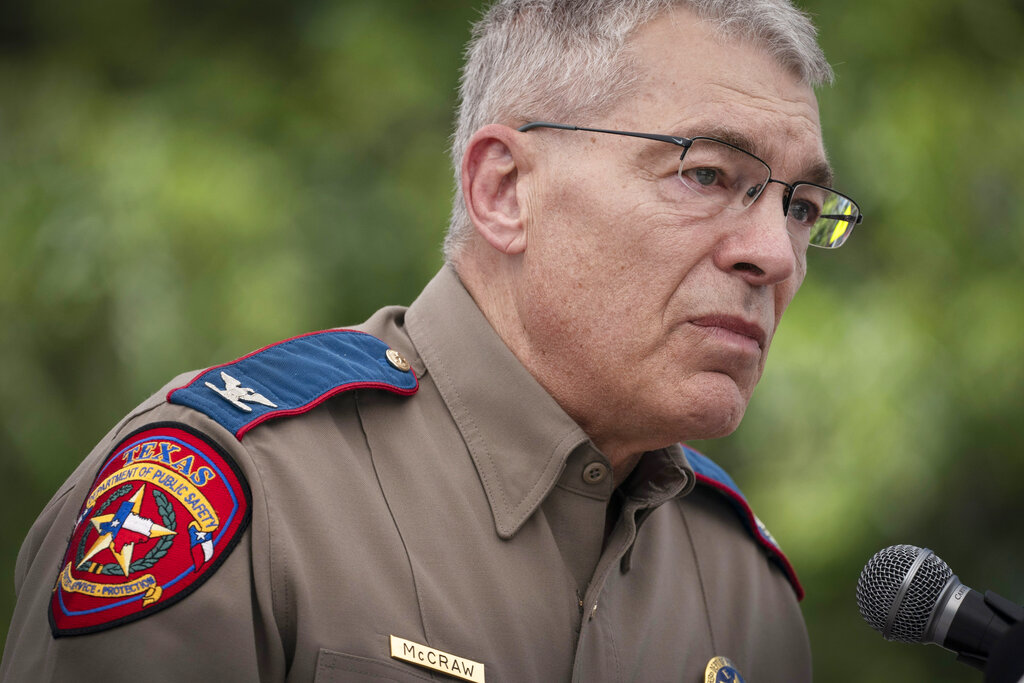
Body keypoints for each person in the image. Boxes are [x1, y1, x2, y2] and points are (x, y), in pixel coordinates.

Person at [1, 0, 863, 681]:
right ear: (504, 189)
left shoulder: (741, 581)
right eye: (707, 173)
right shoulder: (238, 495)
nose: (774, 254)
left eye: (800, 207)